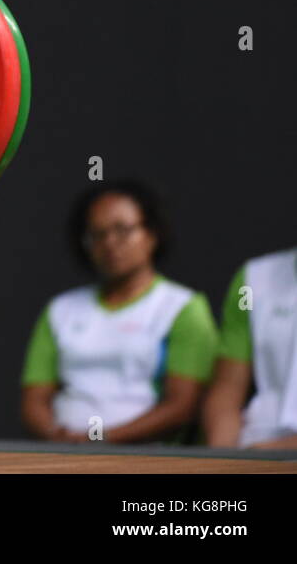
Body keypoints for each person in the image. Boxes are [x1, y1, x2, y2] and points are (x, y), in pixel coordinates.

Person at [19, 180, 219, 444]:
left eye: (122, 230)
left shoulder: (182, 308)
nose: (110, 243)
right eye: (97, 234)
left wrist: (102, 441)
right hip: (64, 457)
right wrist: (57, 437)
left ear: (151, 234)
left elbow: (183, 407)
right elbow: (34, 400)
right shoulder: (60, 310)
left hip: (148, 458)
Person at [201, 245, 297, 449]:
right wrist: (222, 462)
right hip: (256, 443)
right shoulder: (251, 283)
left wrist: (275, 451)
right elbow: (228, 387)